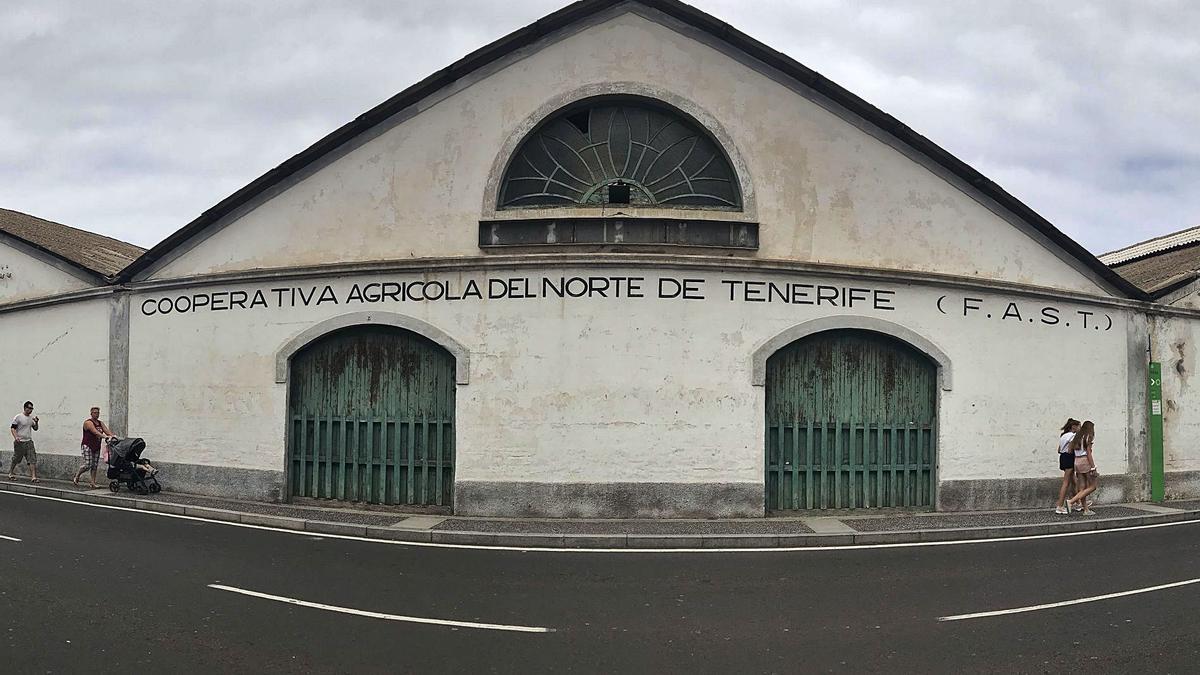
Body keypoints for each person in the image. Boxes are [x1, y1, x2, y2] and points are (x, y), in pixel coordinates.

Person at [73, 406, 113, 488]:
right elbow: (95, 432)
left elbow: (107, 431)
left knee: (94, 465)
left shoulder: (100, 423)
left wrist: (113, 436)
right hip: (87, 445)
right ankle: (77, 476)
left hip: (96, 446)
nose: (96, 414)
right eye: (95, 413)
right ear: (91, 413)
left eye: (98, 413)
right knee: (88, 464)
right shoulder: (88, 422)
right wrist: (105, 437)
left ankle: (93, 482)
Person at [1066, 421, 1098, 515]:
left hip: (1077, 461)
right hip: (1085, 461)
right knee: (1093, 486)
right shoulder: (1088, 437)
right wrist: (1093, 467)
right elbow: (1088, 453)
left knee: (1082, 487)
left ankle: (1086, 510)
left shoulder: (1077, 437)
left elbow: (1069, 450)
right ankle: (1071, 501)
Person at [1054, 418, 1080, 514]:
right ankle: (1060, 505)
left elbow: (1059, 450)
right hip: (1069, 457)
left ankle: (1078, 502)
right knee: (1066, 482)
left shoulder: (1063, 435)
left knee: (1073, 481)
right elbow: (1073, 448)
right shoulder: (1072, 436)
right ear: (1074, 427)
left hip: (1063, 457)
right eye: (1079, 426)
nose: (1079, 428)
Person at [9, 401, 40, 483]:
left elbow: (35, 428)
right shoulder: (18, 417)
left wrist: (36, 422)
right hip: (20, 442)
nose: (31, 410)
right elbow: (13, 428)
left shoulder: (31, 418)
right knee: (16, 458)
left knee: (32, 459)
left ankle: (33, 477)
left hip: (29, 441)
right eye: (29, 408)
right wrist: (16, 437)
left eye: (32, 408)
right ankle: (11, 473)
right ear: (25, 408)